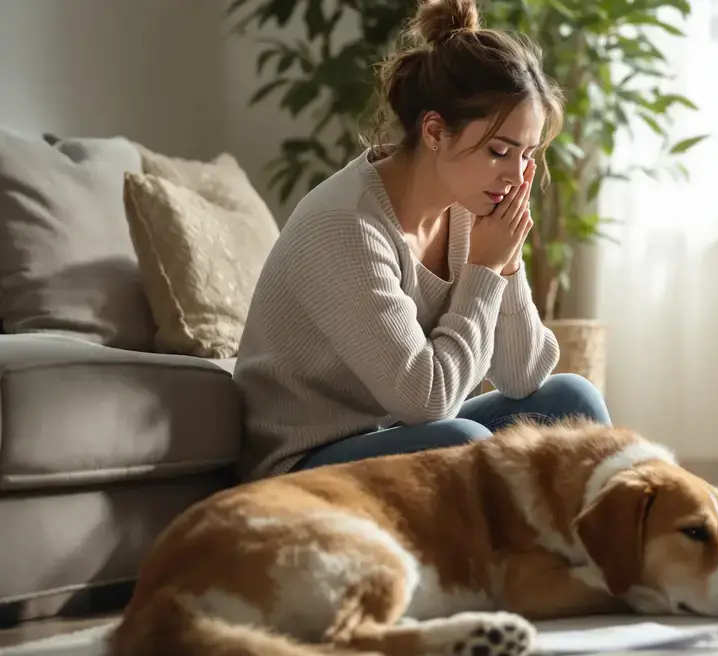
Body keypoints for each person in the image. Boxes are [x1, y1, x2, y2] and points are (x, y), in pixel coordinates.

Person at [232, 0, 611, 482]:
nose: (517, 177)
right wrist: (484, 272)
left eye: (527, 155)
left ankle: (612, 532)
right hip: (302, 463)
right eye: (500, 151)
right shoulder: (346, 225)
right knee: (461, 442)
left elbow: (525, 375)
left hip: (403, 433)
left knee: (571, 399)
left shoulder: (470, 204)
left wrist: (508, 261)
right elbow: (428, 402)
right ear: (435, 131)